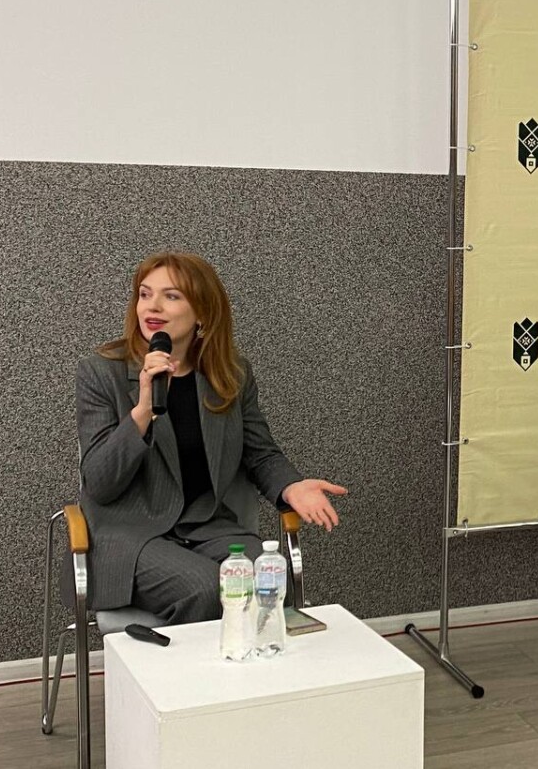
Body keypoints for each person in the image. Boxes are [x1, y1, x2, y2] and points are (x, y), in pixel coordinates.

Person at [75, 252, 347, 624]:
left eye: (171, 296)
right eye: (145, 294)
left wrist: (291, 486)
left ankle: (246, 662)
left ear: (202, 312)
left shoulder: (230, 375)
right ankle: (194, 666)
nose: (152, 306)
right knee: (204, 587)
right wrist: (142, 411)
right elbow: (99, 483)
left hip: (206, 527)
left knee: (264, 576)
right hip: (129, 537)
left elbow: (260, 452)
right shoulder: (101, 373)